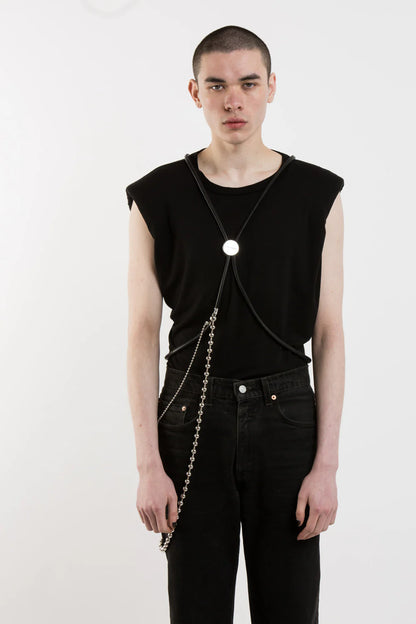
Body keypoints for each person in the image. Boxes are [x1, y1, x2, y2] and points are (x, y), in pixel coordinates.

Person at [125, 24, 345, 624]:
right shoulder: (156, 196)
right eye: (217, 85)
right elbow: (142, 333)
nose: (233, 100)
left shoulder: (317, 194)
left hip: (287, 418)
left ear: (271, 87)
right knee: (196, 609)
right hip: (190, 417)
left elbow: (329, 333)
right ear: (194, 92)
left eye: (248, 83)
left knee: (290, 608)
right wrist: (148, 465)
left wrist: (326, 465)